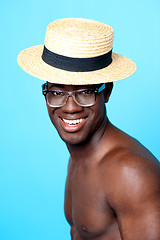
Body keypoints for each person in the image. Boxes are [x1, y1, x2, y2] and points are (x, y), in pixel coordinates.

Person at [17, 18, 160, 240]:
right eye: (57, 92)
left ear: (107, 92)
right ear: (45, 92)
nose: (70, 108)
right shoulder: (78, 154)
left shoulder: (130, 172)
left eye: (85, 92)